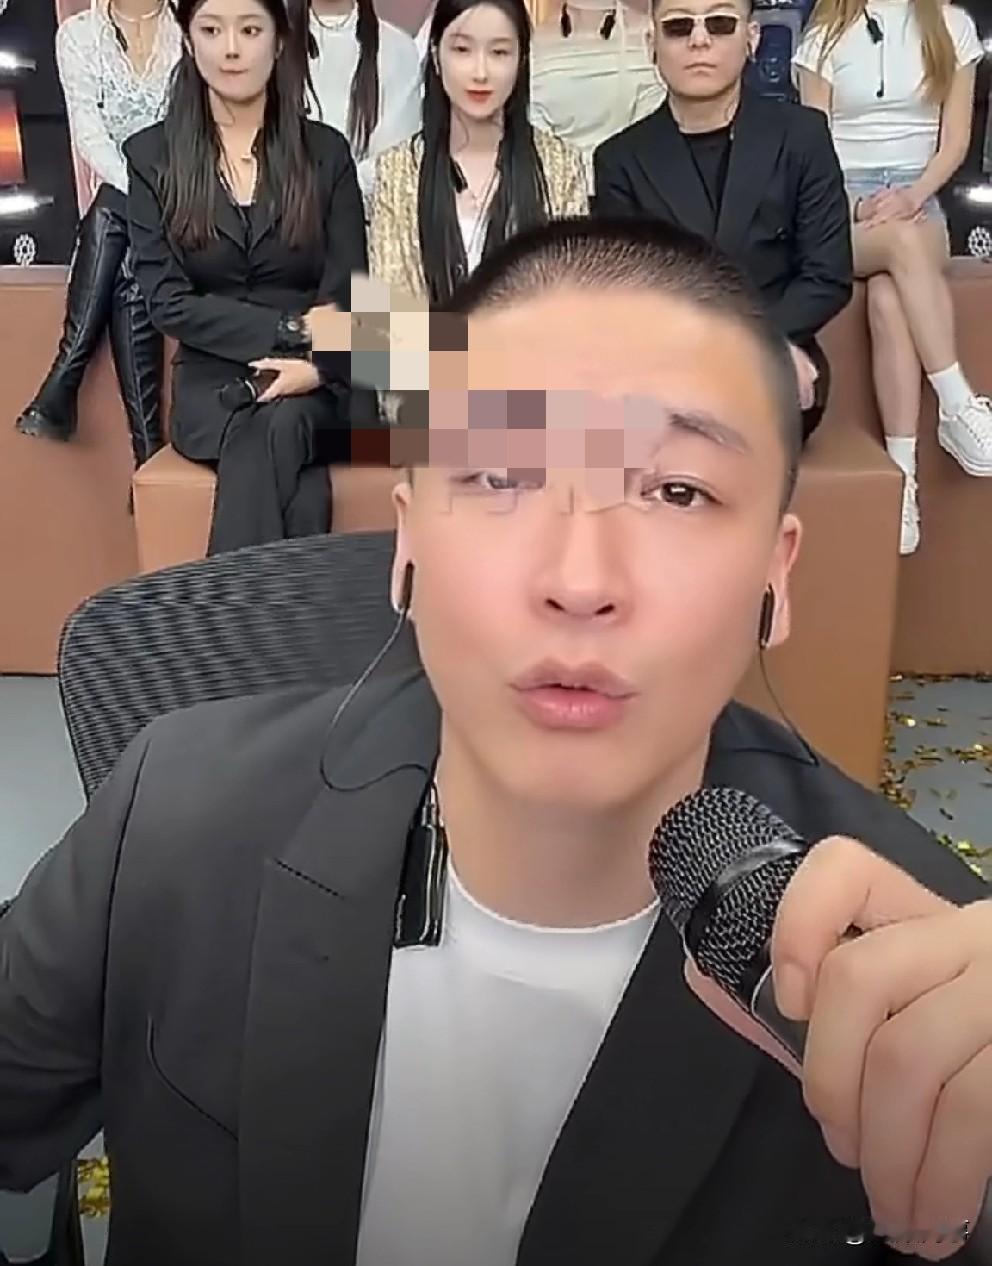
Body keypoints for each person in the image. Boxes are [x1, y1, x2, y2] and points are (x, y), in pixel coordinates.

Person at [1, 217, 991, 1265]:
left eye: (676, 491)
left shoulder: (919, 976)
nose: (580, 579)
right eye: (501, 477)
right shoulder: (177, 814)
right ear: (408, 536)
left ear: (774, 575)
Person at [124, 0, 373, 555]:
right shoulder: (151, 157)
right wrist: (289, 328)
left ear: (279, 41)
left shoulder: (325, 152)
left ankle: (222, 609)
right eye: (212, 30)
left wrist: (316, 368)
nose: (231, 48)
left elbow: (349, 294)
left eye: (250, 29)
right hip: (212, 388)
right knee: (288, 459)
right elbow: (169, 303)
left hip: (319, 381)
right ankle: (280, 613)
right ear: (188, 40)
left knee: (279, 425)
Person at [593, 0, 853, 444]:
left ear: (751, 38)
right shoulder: (620, 160)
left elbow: (827, 275)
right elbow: (630, 297)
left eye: (719, 23)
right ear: (652, 43)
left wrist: (763, 345)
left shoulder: (802, 136)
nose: (700, 40)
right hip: (666, 366)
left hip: (777, 356)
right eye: (679, 26)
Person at [794, 0, 992, 556]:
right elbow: (812, 147)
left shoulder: (951, 25)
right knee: (899, 247)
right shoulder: (824, 33)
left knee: (887, 295)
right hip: (842, 202)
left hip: (920, 196)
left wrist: (912, 196)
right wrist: (856, 205)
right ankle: (958, 402)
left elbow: (955, 142)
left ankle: (903, 482)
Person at [14, 0, 180, 468]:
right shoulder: (79, 36)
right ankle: (147, 456)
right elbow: (89, 137)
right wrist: (140, 192)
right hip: (130, 207)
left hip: (183, 200)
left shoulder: (191, 29)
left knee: (112, 212)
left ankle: (65, 377)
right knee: (126, 255)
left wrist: (154, 193)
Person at [368, 0, 588, 305]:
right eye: (462, 50)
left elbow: (569, 302)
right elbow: (385, 316)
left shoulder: (561, 168)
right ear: (435, 55)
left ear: (521, 60)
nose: (480, 72)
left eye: (499, 52)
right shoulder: (396, 171)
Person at [529, 0, 666, 189]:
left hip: (628, 189)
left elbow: (648, 131)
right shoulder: (534, 42)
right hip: (554, 189)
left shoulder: (648, 39)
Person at [306, 0, 423, 206]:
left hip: (370, 218)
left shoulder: (398, 49)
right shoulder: (275, 44)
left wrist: (338, 190)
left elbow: (393, 160)